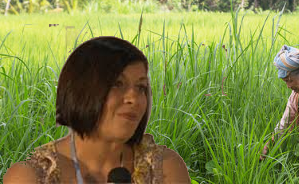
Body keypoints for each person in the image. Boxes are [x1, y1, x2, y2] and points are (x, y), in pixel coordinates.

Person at [4, 36, 190, 184]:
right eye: (117, 84)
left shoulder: (165, 169)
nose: (134, 98)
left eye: (141, 87)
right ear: (81, 91)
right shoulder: (30, 177)